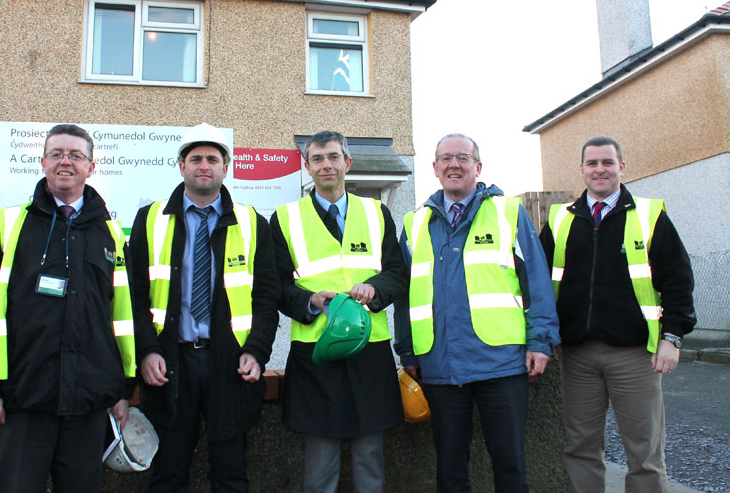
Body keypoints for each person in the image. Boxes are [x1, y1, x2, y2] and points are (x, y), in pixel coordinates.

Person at [0, 123, 136, 492]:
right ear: (43, 162)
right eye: (57, 154)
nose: (65, 162)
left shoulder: (111, 234)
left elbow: (123, 318)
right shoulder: (8, 226)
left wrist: (122, 388)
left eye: (75, 155)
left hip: (87, 403)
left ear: (91, 166)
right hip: (22, 400)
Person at [395, 133, 560, 493]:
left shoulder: (509, 213)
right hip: (439, 363)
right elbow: (406, 296)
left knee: (510, 465)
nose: (454, 164)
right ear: (435, 168)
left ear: (478, 166)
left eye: (463, 158)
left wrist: (541, 342)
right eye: (446, 158)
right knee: (450, 469)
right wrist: (407, 350)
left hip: (501, 363)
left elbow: (536, 282)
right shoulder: (414, 224)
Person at [540, 135, 695, 492]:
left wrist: (672, 337)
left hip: (636, 355)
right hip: (577, 354)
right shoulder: (561, 220)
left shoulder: (649, 216)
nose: (600, 170)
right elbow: (538, 282)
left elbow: (678, 281)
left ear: (622, 167)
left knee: (644, 452)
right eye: (592, 163)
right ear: (581, 170)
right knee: (580, 448)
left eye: (607, 163)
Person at [130, 123, 279, 492]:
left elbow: (266, 297)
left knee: (231, 473)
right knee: (168, 471)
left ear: (225, 168)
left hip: (230, 364)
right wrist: (146, 351)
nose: (204, 165)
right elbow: (133, 295)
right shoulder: (149, 220)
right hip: (169, 364)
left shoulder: (252, 223)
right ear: (181, 166)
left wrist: (257, 352)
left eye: (213, 158)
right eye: (195, 158)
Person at [270, 130, 406, 493]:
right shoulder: (285, 218)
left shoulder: (377, 213)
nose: (325, 165)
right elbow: (275, 287)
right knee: (320, 466)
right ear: (306, 167)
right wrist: (309, 301)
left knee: (369, 459)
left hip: (370, 349)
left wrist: (375, 289)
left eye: (332, 157)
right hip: (315, 353)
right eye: (317, 159)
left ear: (348, 163)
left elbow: (397, 273)